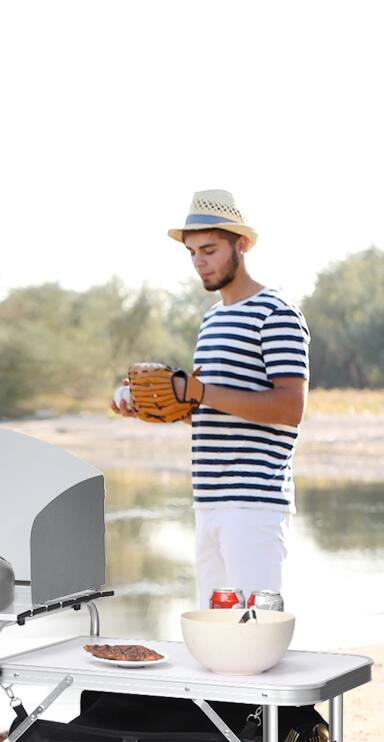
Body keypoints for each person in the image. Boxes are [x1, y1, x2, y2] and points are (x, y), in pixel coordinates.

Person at [114, 190, 309, 605]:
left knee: (256, 630)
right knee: (216, 634)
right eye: (191, 253)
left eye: (209, 249)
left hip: (254, 503)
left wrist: (198, 389)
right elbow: (215, 410)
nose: (199, 261)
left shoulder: (277, 313)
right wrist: (157, 407)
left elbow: (290, 408)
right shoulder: (212, 319)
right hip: (208, 499)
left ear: (241, 244)